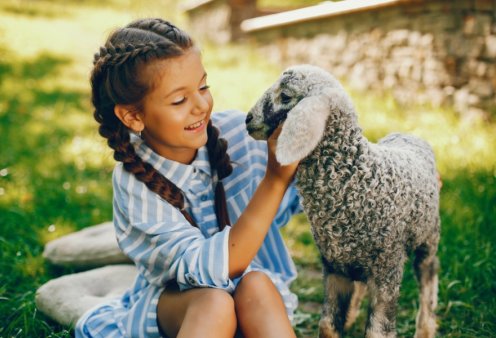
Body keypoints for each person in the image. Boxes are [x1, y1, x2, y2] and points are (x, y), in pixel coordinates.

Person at [75, 18, 302, 338]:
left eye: (203, 87)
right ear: (133, 116)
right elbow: (217, 269)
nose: (200, 106)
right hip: (181, 310)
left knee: (258, 283)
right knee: (215, 303)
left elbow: (313, 188)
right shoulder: (135, 183)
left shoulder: (239, 135)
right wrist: (274, 180)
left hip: (250, 300)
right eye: (179, 100)